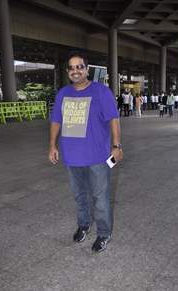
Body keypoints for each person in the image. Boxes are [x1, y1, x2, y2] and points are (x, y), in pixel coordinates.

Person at [49, 51, 123, 253]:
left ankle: (104, 233)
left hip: (98, 156)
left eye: (79, 67)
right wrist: (52, 145)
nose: (75, 71)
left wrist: (117, 146)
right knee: (79, 195)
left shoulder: (101, 92)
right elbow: (56, 121)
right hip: (72, 156)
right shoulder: (63, 93)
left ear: (86, 69)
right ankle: (83, 225)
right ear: (67, 72)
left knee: (100, 197)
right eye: (71, 68)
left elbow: (113, 119)